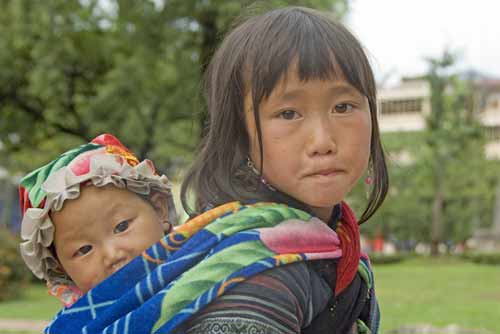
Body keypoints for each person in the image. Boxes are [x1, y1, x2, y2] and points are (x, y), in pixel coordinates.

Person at [180, 6, 388, 334]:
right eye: (289, 113)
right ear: (239, 134)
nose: (322, 141)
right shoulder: (254, 274)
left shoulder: (341, 248)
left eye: (343, 107)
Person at [18, 133, 177, 307]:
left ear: (159, 209)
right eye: (84, 249)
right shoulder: (75, 326)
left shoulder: (206, 270)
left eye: (121, 226)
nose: (112, 255)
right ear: (60, 268)